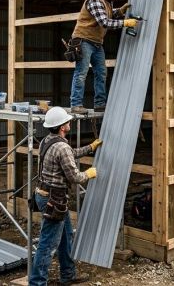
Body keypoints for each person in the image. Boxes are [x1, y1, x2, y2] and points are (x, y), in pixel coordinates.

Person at [29, 107, 102, 286]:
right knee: (48, 244)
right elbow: (75, 177)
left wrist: (90, 147)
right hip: (54, 200)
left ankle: (67, 275)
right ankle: (37, 283)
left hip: (47, 196)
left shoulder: (48, 141)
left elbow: (70, 153)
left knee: (66, 235)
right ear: (62, 126)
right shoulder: (61, 147)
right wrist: (89, 174)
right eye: (67, 121)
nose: (70, 123)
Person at [69, 0, 137, 114]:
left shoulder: (106, 1)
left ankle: (100, 104)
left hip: (96, 42)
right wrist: (125, 23)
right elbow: (104, 22)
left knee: (101, 73)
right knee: (81, 73)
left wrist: (119, 11)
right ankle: (76, 105)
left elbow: (107, 14)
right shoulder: (95, 0)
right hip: (84, 41)